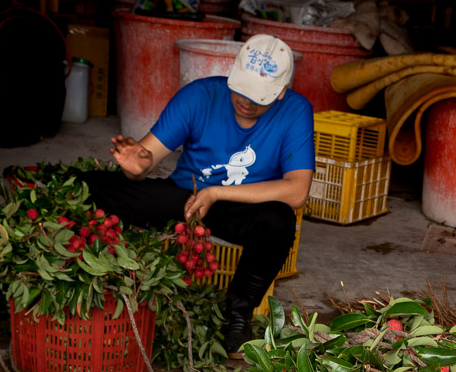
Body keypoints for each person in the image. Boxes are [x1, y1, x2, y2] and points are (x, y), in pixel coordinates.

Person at [91, 34, 314, 355]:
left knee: (279, 222)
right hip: (185, 196)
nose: (247, 101)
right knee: (96, 188)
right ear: (233, 73)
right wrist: (134, 166)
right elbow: (144, 159)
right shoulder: (199, 96)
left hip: (241, 208)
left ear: (281, 92)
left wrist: (217, 193)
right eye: (242, 90)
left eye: (259, 96)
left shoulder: (295, 111)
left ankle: (239, 313)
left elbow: (296, 191)